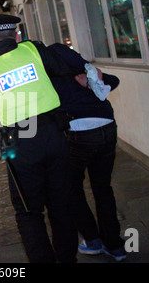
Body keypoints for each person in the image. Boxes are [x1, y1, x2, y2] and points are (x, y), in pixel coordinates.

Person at [0, 14, 86, 263]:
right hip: (53, 133)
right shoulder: (34, 50)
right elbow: (63, 66)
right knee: (61, 203)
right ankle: (67, 260)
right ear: (16, 34)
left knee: (27, 210)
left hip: (18, 142)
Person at [49, 43, 127, 261]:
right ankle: (115, 246)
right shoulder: (85, 73)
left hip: (79, 136)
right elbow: (115, 81)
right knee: (103, 188)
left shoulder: (51, 79)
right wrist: (94, 79)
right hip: (107, 130)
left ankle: (93, 240)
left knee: (72, 189)